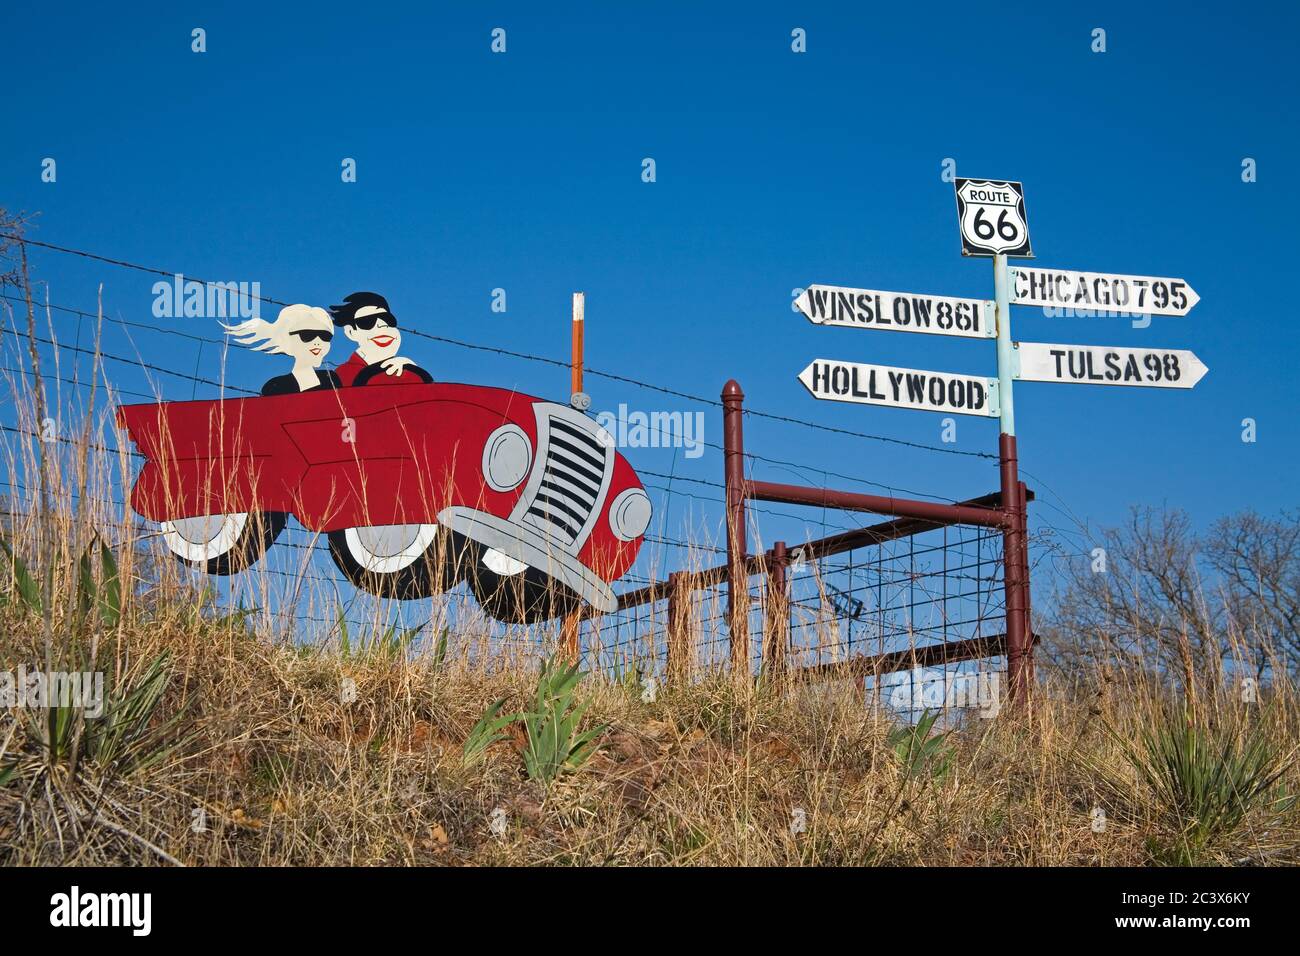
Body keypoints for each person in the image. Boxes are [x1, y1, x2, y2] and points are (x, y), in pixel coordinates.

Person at [222, 304, 343, 396]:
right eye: (307, 335)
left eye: (325, 336)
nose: (318, 342)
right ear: (286, 339)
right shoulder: (275, 387)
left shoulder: (331, 380)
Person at [328, 291, 433, 386]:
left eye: (387, 319)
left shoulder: (403, 368)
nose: (381, 324)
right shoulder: (344, 374)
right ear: (351, 332)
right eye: (367, 322)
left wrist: (411, 369)